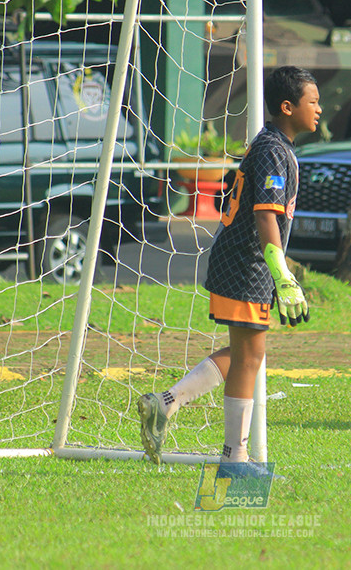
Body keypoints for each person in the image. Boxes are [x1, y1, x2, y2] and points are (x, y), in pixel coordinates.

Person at [138, 65, 321, 467]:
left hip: (241, 262)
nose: (319, 109)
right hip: (247, 264)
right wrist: (284, 277)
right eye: (313, 101)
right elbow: (265, 217)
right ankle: (234, 456)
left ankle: (165, 403)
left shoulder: (274, 144)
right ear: (288, 107)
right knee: (250, 358)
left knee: (247, 354)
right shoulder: (274, 151)